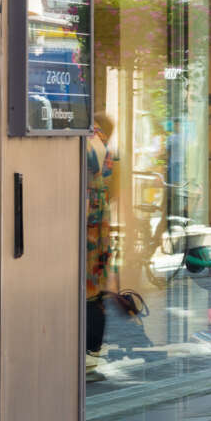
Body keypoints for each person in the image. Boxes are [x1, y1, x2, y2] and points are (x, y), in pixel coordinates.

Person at [85, 113, 118, 356]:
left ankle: (90, 342)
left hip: (88, 220)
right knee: (95, 284)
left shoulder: (88, 139)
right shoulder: (103, 145)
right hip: (99, 220)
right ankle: (93, 343)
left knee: (88, 286)